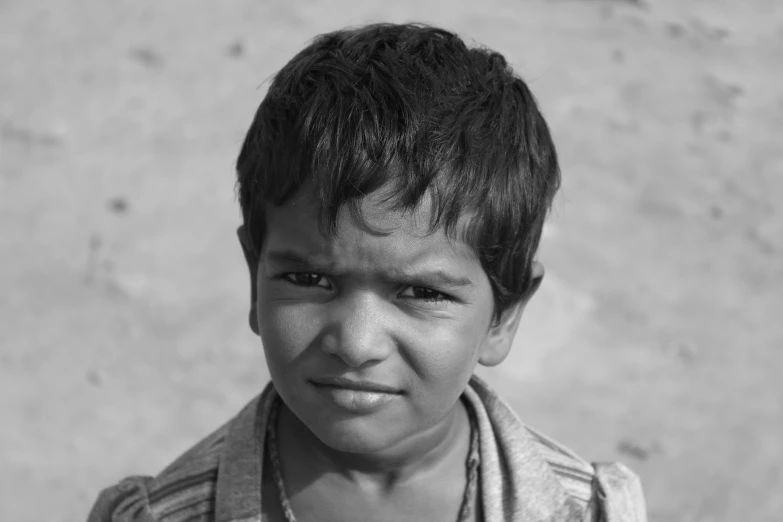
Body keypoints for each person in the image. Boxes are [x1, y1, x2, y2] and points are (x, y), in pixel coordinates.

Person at [87, 23, 647, 522]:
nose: (355, 345)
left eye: (421, 292)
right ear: (254, 276)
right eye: (309, 281)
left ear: (503, 315)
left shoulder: (589, 511)